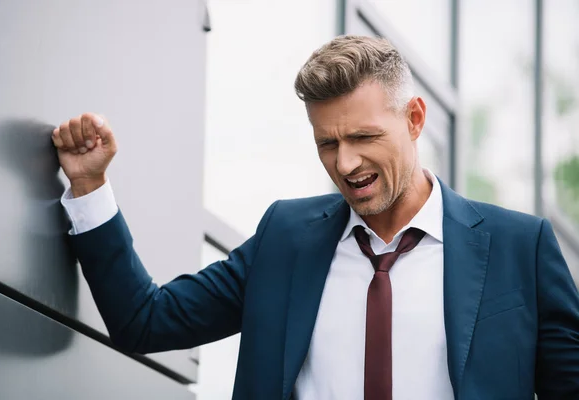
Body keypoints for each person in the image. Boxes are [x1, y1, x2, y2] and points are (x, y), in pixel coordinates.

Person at [51, 35, 579, 399]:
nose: (345, 163)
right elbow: (146, 321)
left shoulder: (519, 248)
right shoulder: (286, 238)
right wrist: (90, 185)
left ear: (414, 119)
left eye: (364, 137)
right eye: (327, 142)